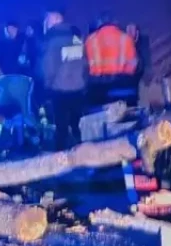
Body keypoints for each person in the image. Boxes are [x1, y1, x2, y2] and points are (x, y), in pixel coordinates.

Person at [39, 10, 87, 149]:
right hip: (78, 87)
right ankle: (82, 152)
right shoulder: (75, 37)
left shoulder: (51, 40)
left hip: (59, 89)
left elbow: (49, 66)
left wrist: (47, 84)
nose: (46, 24)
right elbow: (83, 62)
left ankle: (60, 157)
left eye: (47, 20)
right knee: (77, 124)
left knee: (61, 127)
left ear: (54, 20)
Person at [84, 12, 139, 105]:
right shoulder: (126, 38)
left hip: (99, 90)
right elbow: (133, 65)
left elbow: (86, 66)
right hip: (124, 87)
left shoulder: (90, 40)